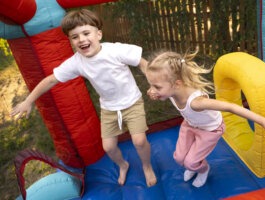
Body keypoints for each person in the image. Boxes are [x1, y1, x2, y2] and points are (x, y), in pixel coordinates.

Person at [10, 9, 157, 187]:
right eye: (74, 37)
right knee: (108, 147)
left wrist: (154, 84)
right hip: (109, 108)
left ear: (99, 34)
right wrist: (29, 100)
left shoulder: (116, 50)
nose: (81, 40)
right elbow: (50, 80)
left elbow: (142, 62)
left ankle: (147, 166)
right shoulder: (77, 62)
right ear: (71, 41)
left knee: (139, 141)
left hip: (132, 102)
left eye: (86, 33)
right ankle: (123, 165)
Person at [145, 49, 265, 188]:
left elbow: (231, 107)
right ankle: (194, 167)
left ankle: (203, 169)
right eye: (151, 85)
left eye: (156, 87)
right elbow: (160, 85)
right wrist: (157, 90)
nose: (152, 90)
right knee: (179, 158)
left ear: (177, 84)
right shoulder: (172, 90)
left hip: (210, 130)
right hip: (191, 124)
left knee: (191, 162)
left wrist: (263, 121)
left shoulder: (197, 102)